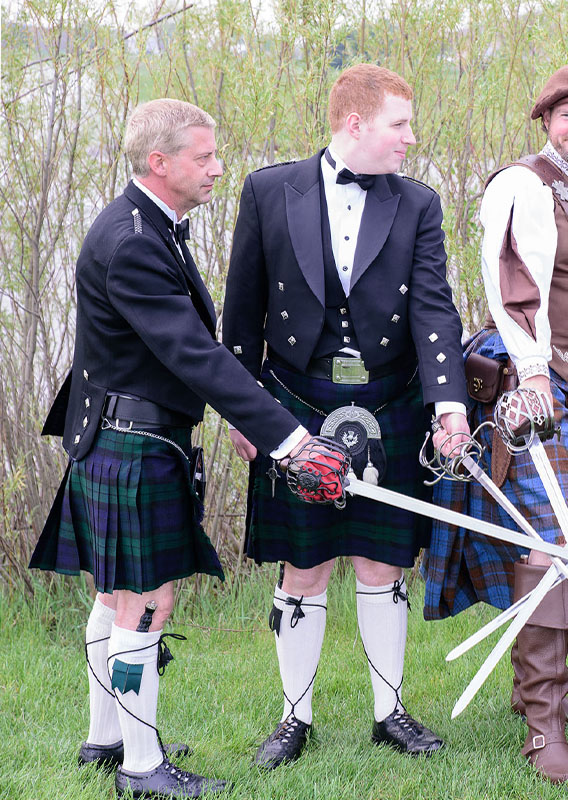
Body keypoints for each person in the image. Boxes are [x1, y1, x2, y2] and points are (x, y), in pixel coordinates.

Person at [30, 98, 327, 798]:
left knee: (114, 599)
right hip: (132, 444)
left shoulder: (141, 224)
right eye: (205, 156)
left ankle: (106, 739)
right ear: (159, 162)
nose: (218, 168)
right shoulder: (135, 241)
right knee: (144, 606)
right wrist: (289, 438)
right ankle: (141, 767)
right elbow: (195, 354)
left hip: (121, 434)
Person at [221, 64, 469, 769]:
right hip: (294, 404)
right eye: (400, 124)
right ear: (355, 123)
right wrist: (243, 409)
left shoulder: (418, 203)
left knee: (383, 560)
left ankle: (390, 712)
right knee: (303, 564)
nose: (410, 139)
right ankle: (293, 718)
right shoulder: (269, 190)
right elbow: (242, 309)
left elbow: (433, 309)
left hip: (389, 400)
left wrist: (449, 405)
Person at [423, 60, 568, 786]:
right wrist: (535, 372)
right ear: (546, 122)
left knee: (564, 540)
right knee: (552, 547)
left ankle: (537, 692)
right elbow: (511, 283)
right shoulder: (522, 183)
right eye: (567, 117)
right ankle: (543, 729)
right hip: (531, 386)